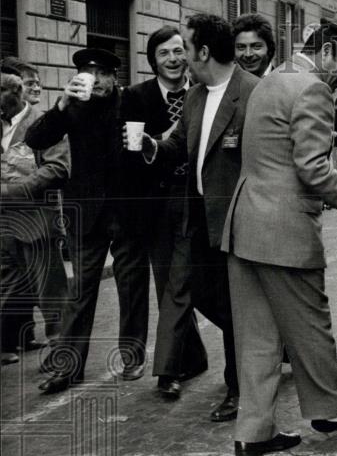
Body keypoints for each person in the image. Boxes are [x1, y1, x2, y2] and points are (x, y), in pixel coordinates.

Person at [221, 20, 337, 456]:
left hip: (245, 224)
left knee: (257, 337)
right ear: (325, 53)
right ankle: (332, 411)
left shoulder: (271, 80)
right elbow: (313, 169)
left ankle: (254, 431)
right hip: (285, 229)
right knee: (311, 325)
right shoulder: (312, 89)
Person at [138, 14, 259, 421]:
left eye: (185, 49)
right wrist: (150, 146)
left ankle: (239, 388)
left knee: (235, 304)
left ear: (203, 52)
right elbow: (178, 145)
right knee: (208, 298)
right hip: (199, 222)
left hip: (240, 222)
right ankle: (264, 342)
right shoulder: (195, 97)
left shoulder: (254, 93)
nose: (182, 58)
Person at [26, 48, 151, 395]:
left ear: (115, 77)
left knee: (132, 287)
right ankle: (69, 367)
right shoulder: (73, 106)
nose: (94, 81)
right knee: (80, 293)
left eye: (101, 75)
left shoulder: (133, 102)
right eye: (86, 73)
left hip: (128, 212)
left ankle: (133, 356)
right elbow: (34, 138)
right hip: (87, 215)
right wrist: (61, 104)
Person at [120, 26, 209, 401]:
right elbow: (126, 155)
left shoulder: (203, 94)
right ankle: (182, 362)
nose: (173, 59)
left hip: (198, 200)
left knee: (195, 286)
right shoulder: (135, 97)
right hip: (156, 206)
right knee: (168, 286)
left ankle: (180, 363)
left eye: (178, 51)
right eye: (163, 54)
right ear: (152, 60)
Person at [0, 72, 70, 364]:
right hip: (6, 226)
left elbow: (58, 168)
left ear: (15, 93)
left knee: (51, 292)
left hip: (37, 222)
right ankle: (8, 341)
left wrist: (13, 190)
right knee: (9, 284)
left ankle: (62, 351)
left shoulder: (44, 123)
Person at [233, 13, 276, 79]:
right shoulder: (226, 86)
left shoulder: (287, 85)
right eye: (241, 47)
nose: (248, 54)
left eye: (256, 46)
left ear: (269, 48)